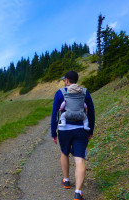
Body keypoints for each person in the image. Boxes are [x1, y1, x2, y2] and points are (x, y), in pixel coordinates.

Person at [51, 70, 95, 200]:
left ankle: (66, 180)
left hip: (64, 130)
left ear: (66, 81)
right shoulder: (85, 92)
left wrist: (54, 132)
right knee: (80, 158)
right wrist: (90, 130)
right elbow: (91, 113)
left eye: (64, 80)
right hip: (81, 129)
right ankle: (78, 192)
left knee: (64, 153)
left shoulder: (60, 93)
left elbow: (55, 115)